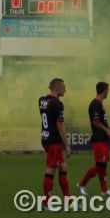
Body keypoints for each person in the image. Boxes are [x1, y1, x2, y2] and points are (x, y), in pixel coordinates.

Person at [78, 81, 110, 197]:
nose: (108, 92)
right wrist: (106, 130)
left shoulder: (100, 104)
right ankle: (82, 184)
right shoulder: (95, 104)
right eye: (107, 90)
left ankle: (104, 190)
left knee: (103, 165)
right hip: (98, 138)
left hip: (102, 139)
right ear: (104, 90)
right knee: (100, 165)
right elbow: (95, 122)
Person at [39, 79, 70, 207]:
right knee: (51, 169)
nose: (65, 90)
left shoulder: (41, 100)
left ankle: (69, 201)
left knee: (63, 167)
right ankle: (46, 203)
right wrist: (67, 144)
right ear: (57, 88)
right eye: (63, 87)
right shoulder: (57, 103)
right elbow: (60, 126)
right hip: (53, 141)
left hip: (45, 137)